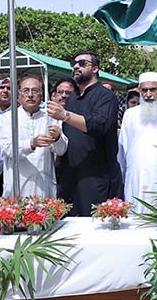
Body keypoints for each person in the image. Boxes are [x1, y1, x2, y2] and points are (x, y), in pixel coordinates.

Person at [46, 51, 122, 216]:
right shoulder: (72, 99)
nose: (75, 66)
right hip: (70, 177)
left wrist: (66, 115)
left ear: (95, 68)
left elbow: (98, 125)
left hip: (96, 178)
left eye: (81, 63)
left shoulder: (105, 96)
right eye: (74, 63)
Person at [0, 76, 67, 198]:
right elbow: (7, 149)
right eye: (26, 91)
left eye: (35, 91)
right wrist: (31, 144)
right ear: (19, 96)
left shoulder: (51, 117)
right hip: (16, 188)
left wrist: (57, 138)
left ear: (41, 95)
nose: (30, 95)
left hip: (44, 187)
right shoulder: (8, 118)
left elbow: (61, 150)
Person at [118, 72, 157, 214]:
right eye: (144, 90)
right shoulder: (130, 115)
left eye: (153, 90)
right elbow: (122, 149)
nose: (148, 94)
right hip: (134, 178)